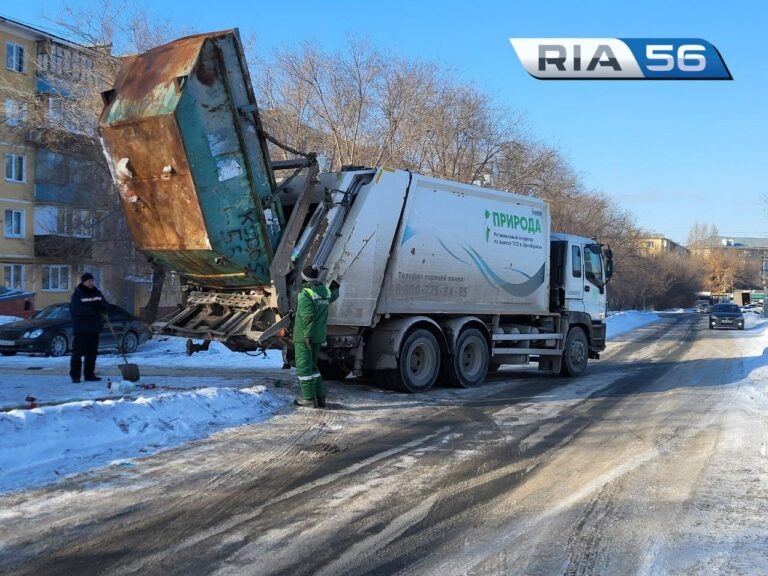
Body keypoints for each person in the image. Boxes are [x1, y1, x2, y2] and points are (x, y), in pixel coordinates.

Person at [292, 265, 340, 408]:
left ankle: (308, 399)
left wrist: (307, 336)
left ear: (304, 278)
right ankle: (320, 397)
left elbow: (308, 316)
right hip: (318, 336)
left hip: (305, 337)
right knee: (313, 367)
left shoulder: (305, 293)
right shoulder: (324, 290)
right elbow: (333, 296)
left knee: (304, 368)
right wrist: (336, 287)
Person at [69, 273, 108, 383]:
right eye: (89, 281)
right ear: (83, 282)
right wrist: (93, 310)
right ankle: (75, 376)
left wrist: (104, 308)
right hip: (81, 329)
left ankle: (89, 375)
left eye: (92, 280)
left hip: (94, 328)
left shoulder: (97, 292)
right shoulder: (78, 294)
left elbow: (104, 304)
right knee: (77, 353)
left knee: (92, 354)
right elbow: (76, 310)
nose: (91, 283)